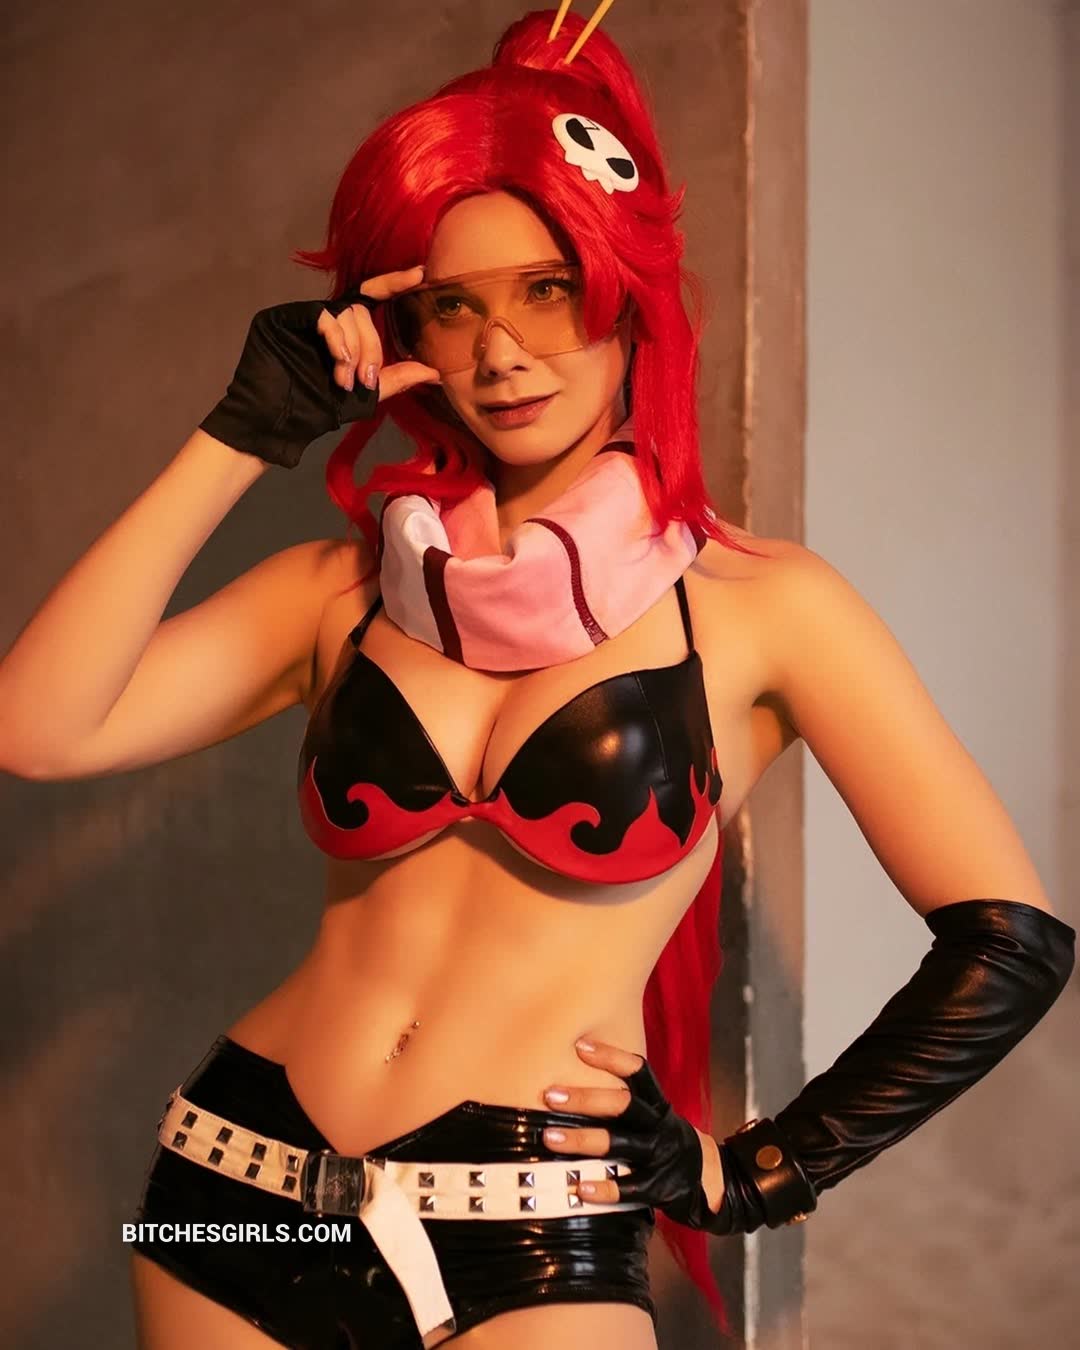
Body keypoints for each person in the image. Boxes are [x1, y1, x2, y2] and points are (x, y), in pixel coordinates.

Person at [1, 8, 1073, 1350]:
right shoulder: (348, 591)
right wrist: (239, 433)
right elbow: (35, 729)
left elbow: (1009, 939)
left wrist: (758, 1171)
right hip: (237, 1193)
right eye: (455, 305)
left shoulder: (764, 607)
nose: (502, 352)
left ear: (627, 292)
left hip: (529, 1222)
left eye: (548, 289)